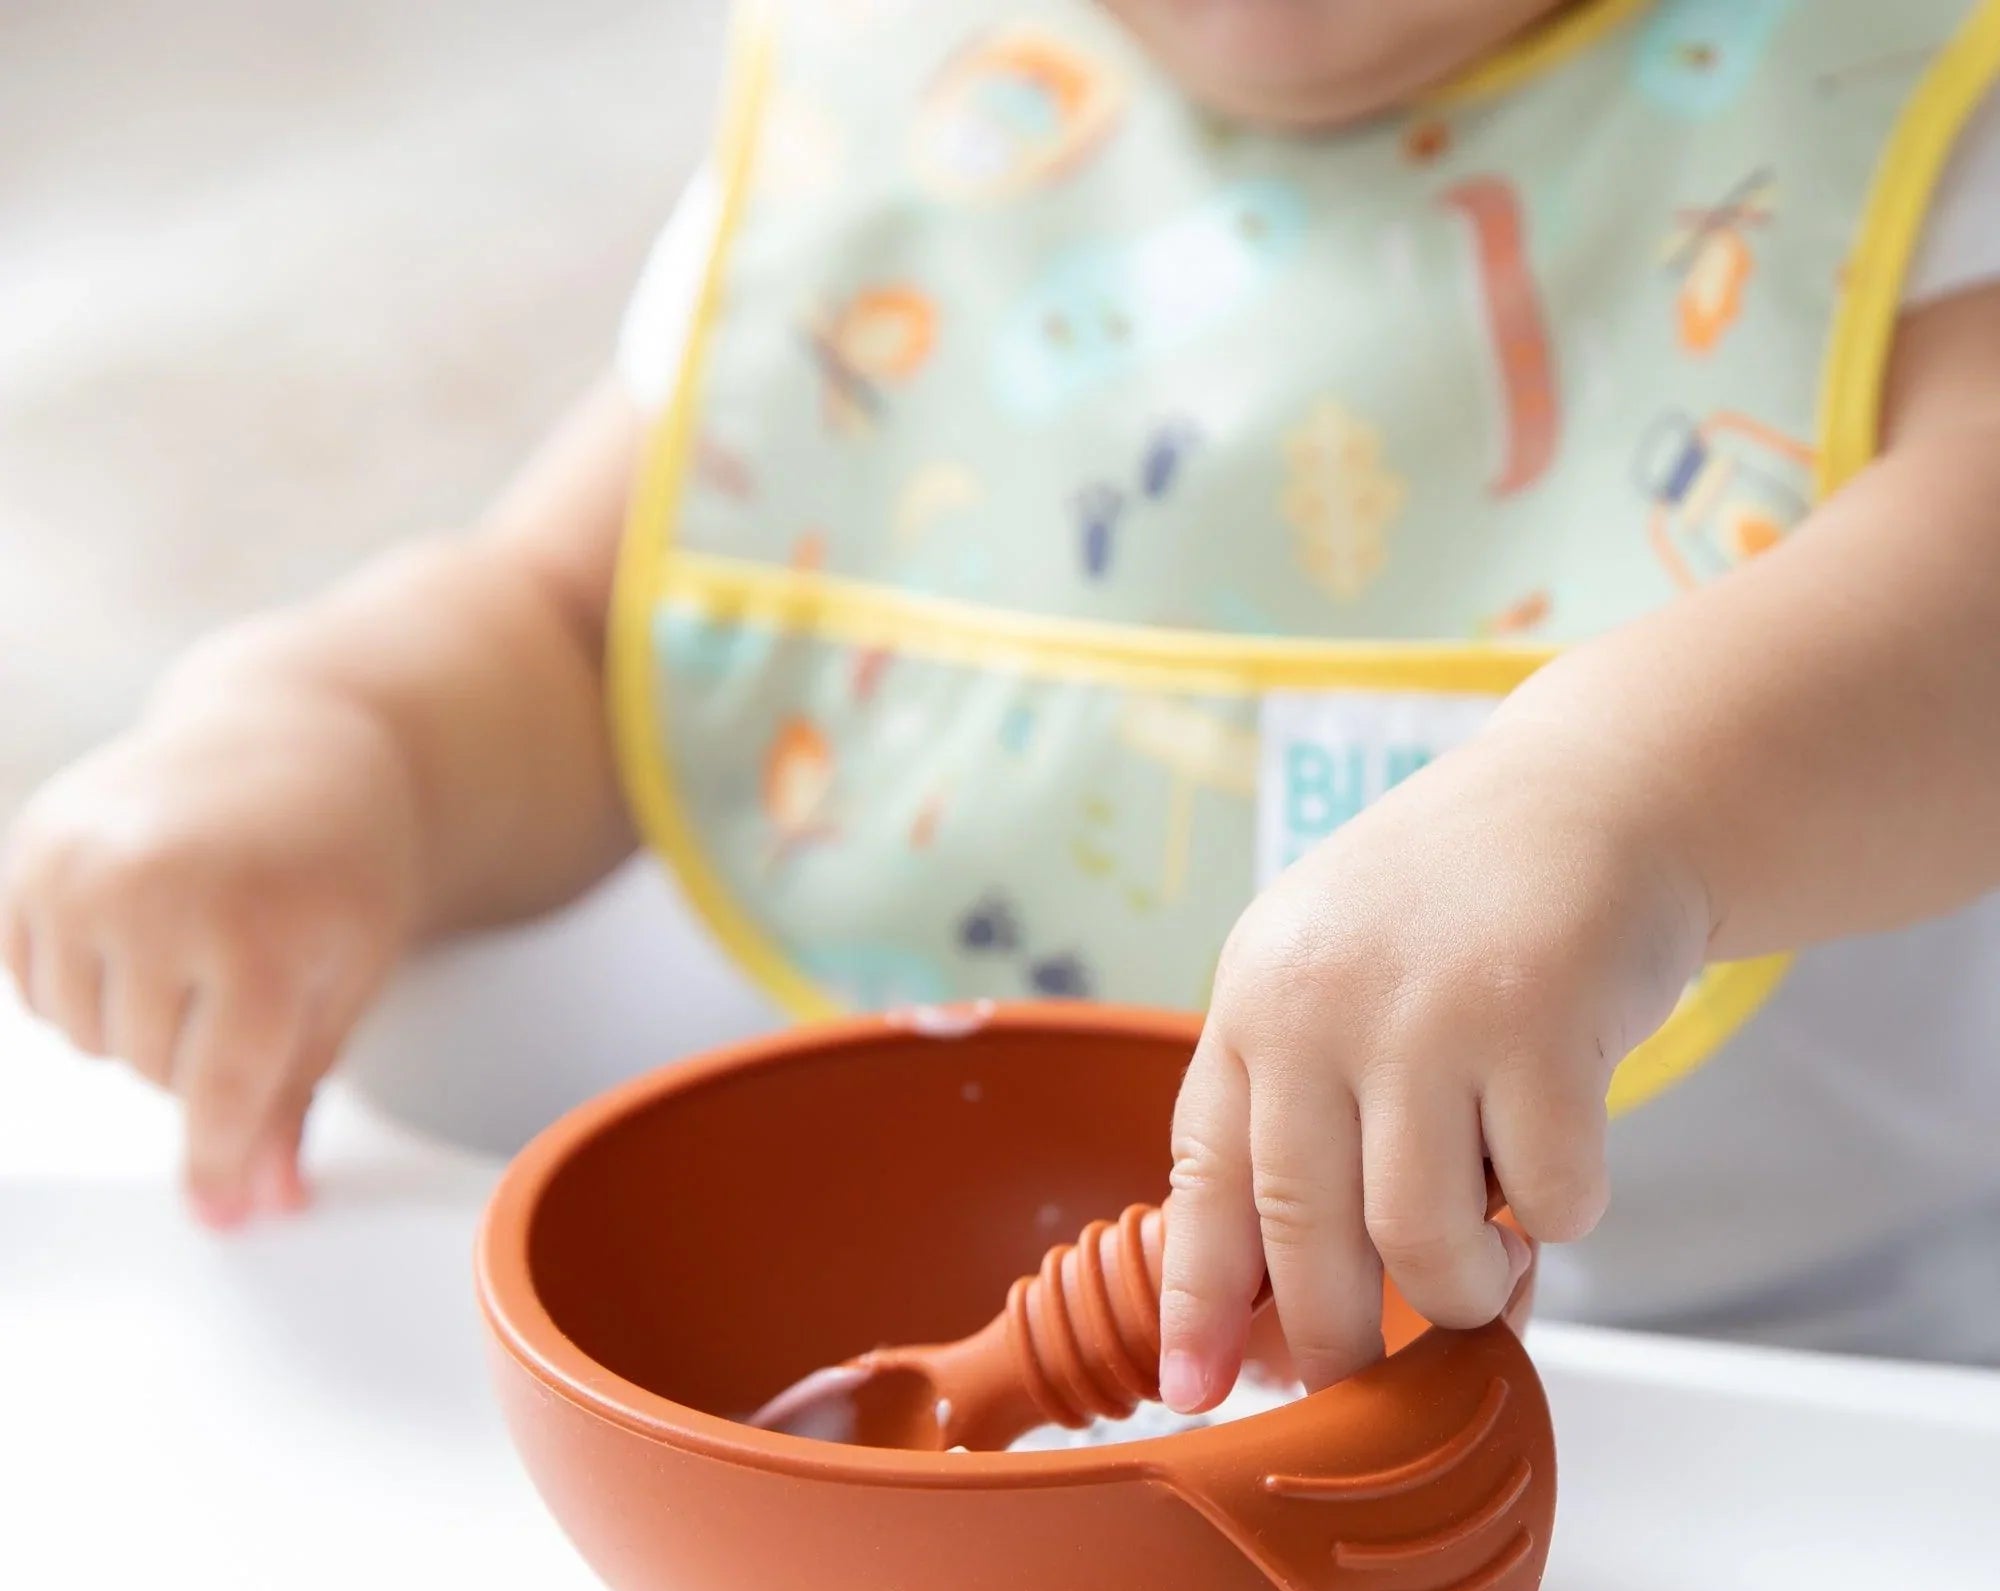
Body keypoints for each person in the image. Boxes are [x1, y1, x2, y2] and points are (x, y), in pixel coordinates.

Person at [8, 0, 2000, 1405]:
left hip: (1765, 1372)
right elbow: (575, 627)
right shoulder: (925, 104)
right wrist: (335, 733)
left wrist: (1603, 798)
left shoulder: (1885, 94)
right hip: (990, 1381)